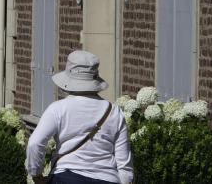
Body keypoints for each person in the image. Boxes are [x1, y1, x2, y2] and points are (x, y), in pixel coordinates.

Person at [25, 50, 133, 184]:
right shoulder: (114, 111)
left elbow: (35, 143)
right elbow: (124, 165)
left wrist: (36, 174)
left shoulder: (58, 108)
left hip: (66, 177)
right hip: (107, 178)